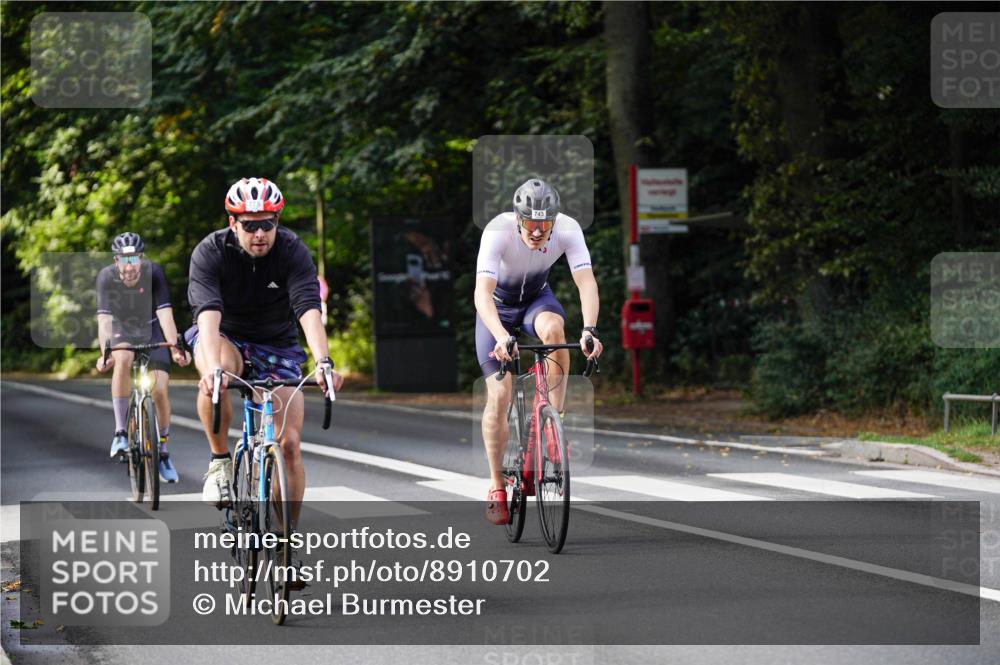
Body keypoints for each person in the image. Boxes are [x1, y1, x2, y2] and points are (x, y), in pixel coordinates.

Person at [185, 177, 343, 534]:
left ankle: (286, 541)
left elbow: (308, 308)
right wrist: (212, 369)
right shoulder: (211, 252)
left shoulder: (292, 250)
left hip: (277, 343)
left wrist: (323, 362)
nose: (260, 234)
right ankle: (220, 461)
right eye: (250, 225)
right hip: (226, 337)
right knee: (217, 375)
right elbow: (207, 315)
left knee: (289, 445)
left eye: (267, 224)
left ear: (277, 221)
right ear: (233, 223)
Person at [474, 178, 603, 525]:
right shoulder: (498, 231)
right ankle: (496, 485)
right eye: (530, 223)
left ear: (554, 221)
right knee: (500, 394)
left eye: (544, 225)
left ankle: (552, 422)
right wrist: (501, 336)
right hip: (496, 310)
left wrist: (589, 329)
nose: (536, 232)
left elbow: (586, 282)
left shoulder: (568, 229)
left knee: (555, 331)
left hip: (535, 300)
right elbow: (482, 294)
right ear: (518, 218)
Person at [96, 232, 189, 482]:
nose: (129, 267)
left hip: (151, 329)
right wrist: (105, 352)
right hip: (121, 329)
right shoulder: (106, 277)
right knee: (123, 358)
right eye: (124, 260)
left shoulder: (154, 273)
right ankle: (120, 433)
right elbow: (104, 321)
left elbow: (165, 315)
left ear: (142, 258)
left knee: (159, 389)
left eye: (134, 259)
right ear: (116, 261)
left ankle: (163, 450)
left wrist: (175, 347)